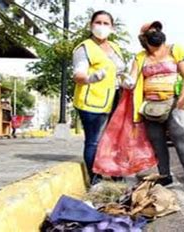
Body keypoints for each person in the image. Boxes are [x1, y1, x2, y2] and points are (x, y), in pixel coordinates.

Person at [128, 21, 184, 194]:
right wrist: (126, 80)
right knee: (157, 142)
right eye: (150, 31)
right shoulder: (140, 57)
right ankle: (164, 176)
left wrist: (182, 98)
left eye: (157, 29)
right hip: (149, 106)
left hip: (174, 101)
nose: (155, 32)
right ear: (143, 38)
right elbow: (132, 78)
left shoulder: (175, 50)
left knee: (181, 139)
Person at [72, 10, 126, 185]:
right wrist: (90, 78)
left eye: (106, 23)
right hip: (92, 102)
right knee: (94, 141)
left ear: (112, 28)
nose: (101, 27)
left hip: (115, 99)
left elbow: (119, 70)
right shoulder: (84, 48)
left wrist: (125, 80)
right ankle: (95, 181)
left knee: (114, 139)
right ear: (91, 25)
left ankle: (116, 175)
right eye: (98, 22)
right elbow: (78, 74)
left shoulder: (115, 47)